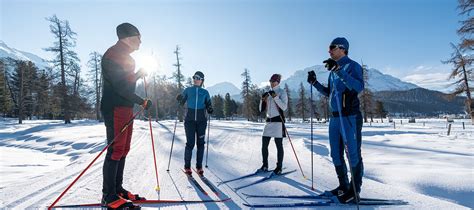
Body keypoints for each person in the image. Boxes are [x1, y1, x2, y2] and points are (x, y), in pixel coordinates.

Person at [100, 22, 152, 208]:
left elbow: (125, 81)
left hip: (124, 108)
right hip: (115, 107)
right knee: (115, 150)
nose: (140, 42)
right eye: (139, 38)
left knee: (124, 149)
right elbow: (120, 86)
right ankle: (109, 197)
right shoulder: (113, 55)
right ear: (129, 38)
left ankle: (117, 189)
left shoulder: (126, 57)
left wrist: (138, 74)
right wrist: (141, 101)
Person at [307, 37, 364, 203]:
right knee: (335, 154)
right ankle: (343, 186)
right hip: (335, 118)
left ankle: (355, 190)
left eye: (332, 47)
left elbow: (358, 87)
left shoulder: (353, 66)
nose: (329, 50)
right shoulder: (333, 70)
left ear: (342, 48)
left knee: (353, 154)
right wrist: (315, 83)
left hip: (350, 117)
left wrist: (339, 70)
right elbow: (330, 93)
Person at [176, 71, 213, 176]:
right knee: (190, 144)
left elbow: (209, 105)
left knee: (201, 144)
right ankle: (187, 166)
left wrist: (210, 108)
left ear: (202, 80)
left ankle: (199, 166)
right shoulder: (188, 90)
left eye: (198, 78)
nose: (195, 79)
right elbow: (182, 102)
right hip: (189, 121)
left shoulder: (205, 92)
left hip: (202, 121)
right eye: (194, 77)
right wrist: (179, 99)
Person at [258, 74, 288, 175]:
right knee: (264, 145)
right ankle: (265, 165)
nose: (271, 83)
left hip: (278, 122)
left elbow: (284, 107)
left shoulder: (282, 92)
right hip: (268, 121)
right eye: (271, 81)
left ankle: (279, 167)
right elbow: (261, 109)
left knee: (279, 145)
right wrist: (262, 100)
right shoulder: (267, 93)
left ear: (278, 82)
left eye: (274, 81)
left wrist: (275, 97)